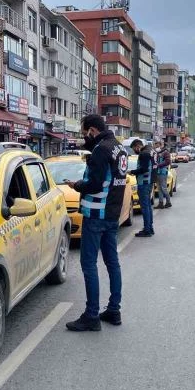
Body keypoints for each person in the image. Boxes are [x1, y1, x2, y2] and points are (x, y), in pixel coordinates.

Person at [64, 114, 127, 331]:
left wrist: (76, 185)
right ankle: (114, 309)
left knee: (89, 264)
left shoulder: (101, 149)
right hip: (112, 214)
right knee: (112, 262)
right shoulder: (119, 147)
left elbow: (95, 184)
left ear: (92, 130)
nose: (85, 137)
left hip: (96, 214)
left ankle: (91, 315)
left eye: (85, 133)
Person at [129, 139, 154, 238]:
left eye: (134, 148)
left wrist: (132, 172)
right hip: (149, 182)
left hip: (143, 183)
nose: (134, 151)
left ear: (137, 146)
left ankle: (147, 230)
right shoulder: (149, 151)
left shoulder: (144, 154)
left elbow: (144, 169)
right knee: (148, 206)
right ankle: (149, 228)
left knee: (145, 207)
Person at [153, 141, 172, 209]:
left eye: (157, 146)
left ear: (161, 145)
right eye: (155, 145)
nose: (156, 147)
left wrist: (158, 165)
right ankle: (161, 203)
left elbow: (168, 162)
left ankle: (168, 202)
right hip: (157, 172)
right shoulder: (156, 153)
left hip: (162, 172)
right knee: (159, 189)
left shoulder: (165, 152)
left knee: (163, 188)